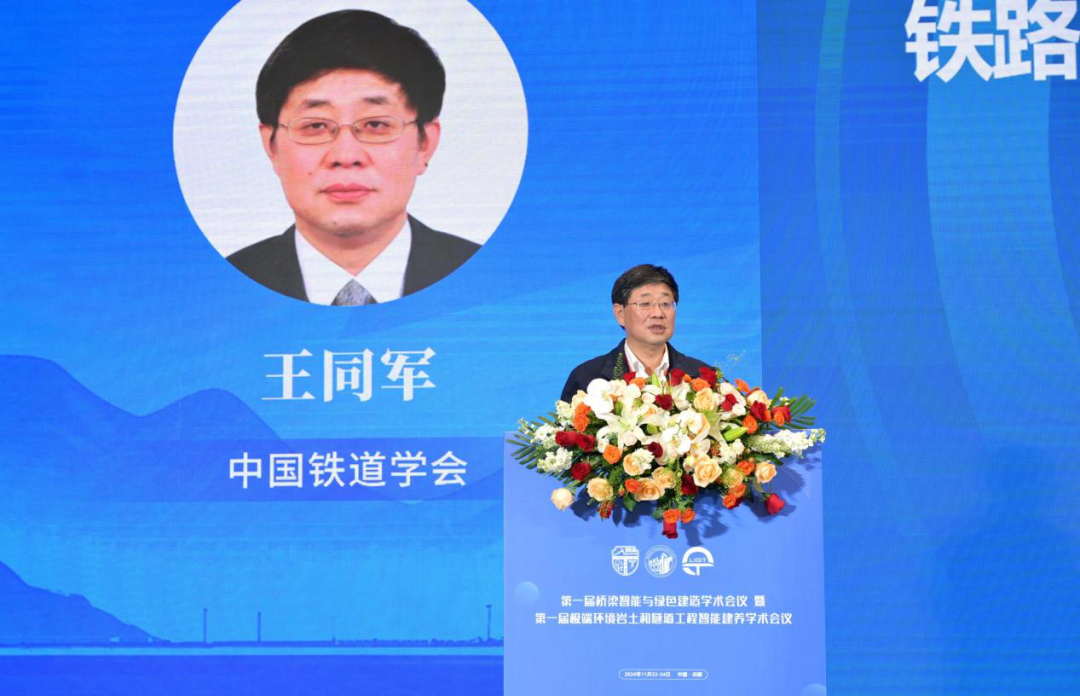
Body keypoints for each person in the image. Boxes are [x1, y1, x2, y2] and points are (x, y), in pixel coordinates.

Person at [228, 10, 479, 305]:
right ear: (271, 147)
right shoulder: (217, 289)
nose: (346, 156)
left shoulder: (491, 279)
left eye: (376, 124)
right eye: (315, 126)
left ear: (425, 143)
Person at [561, 265, 710, 402]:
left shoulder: (703, 378)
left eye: (665, 304)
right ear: (620, 314)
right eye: (645, 304)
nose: (658, 313)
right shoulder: (586, 378)